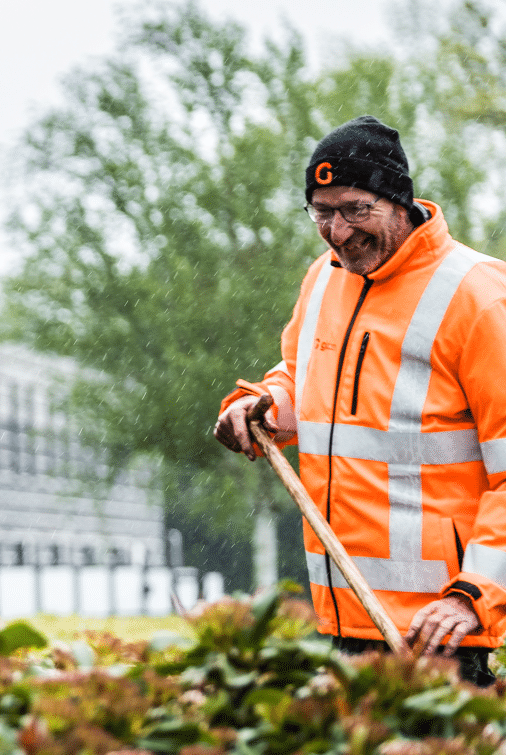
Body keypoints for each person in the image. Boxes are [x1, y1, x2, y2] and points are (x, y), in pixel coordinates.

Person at [213, 115, 506, 686]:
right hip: (341, 618)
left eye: (355, 210)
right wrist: (265, 403)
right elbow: (302, 375)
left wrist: (473, 597)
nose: (338, 232)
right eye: (322, 212)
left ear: (399, 201)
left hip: (438, 633)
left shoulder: (480, 298)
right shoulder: (324, 277)